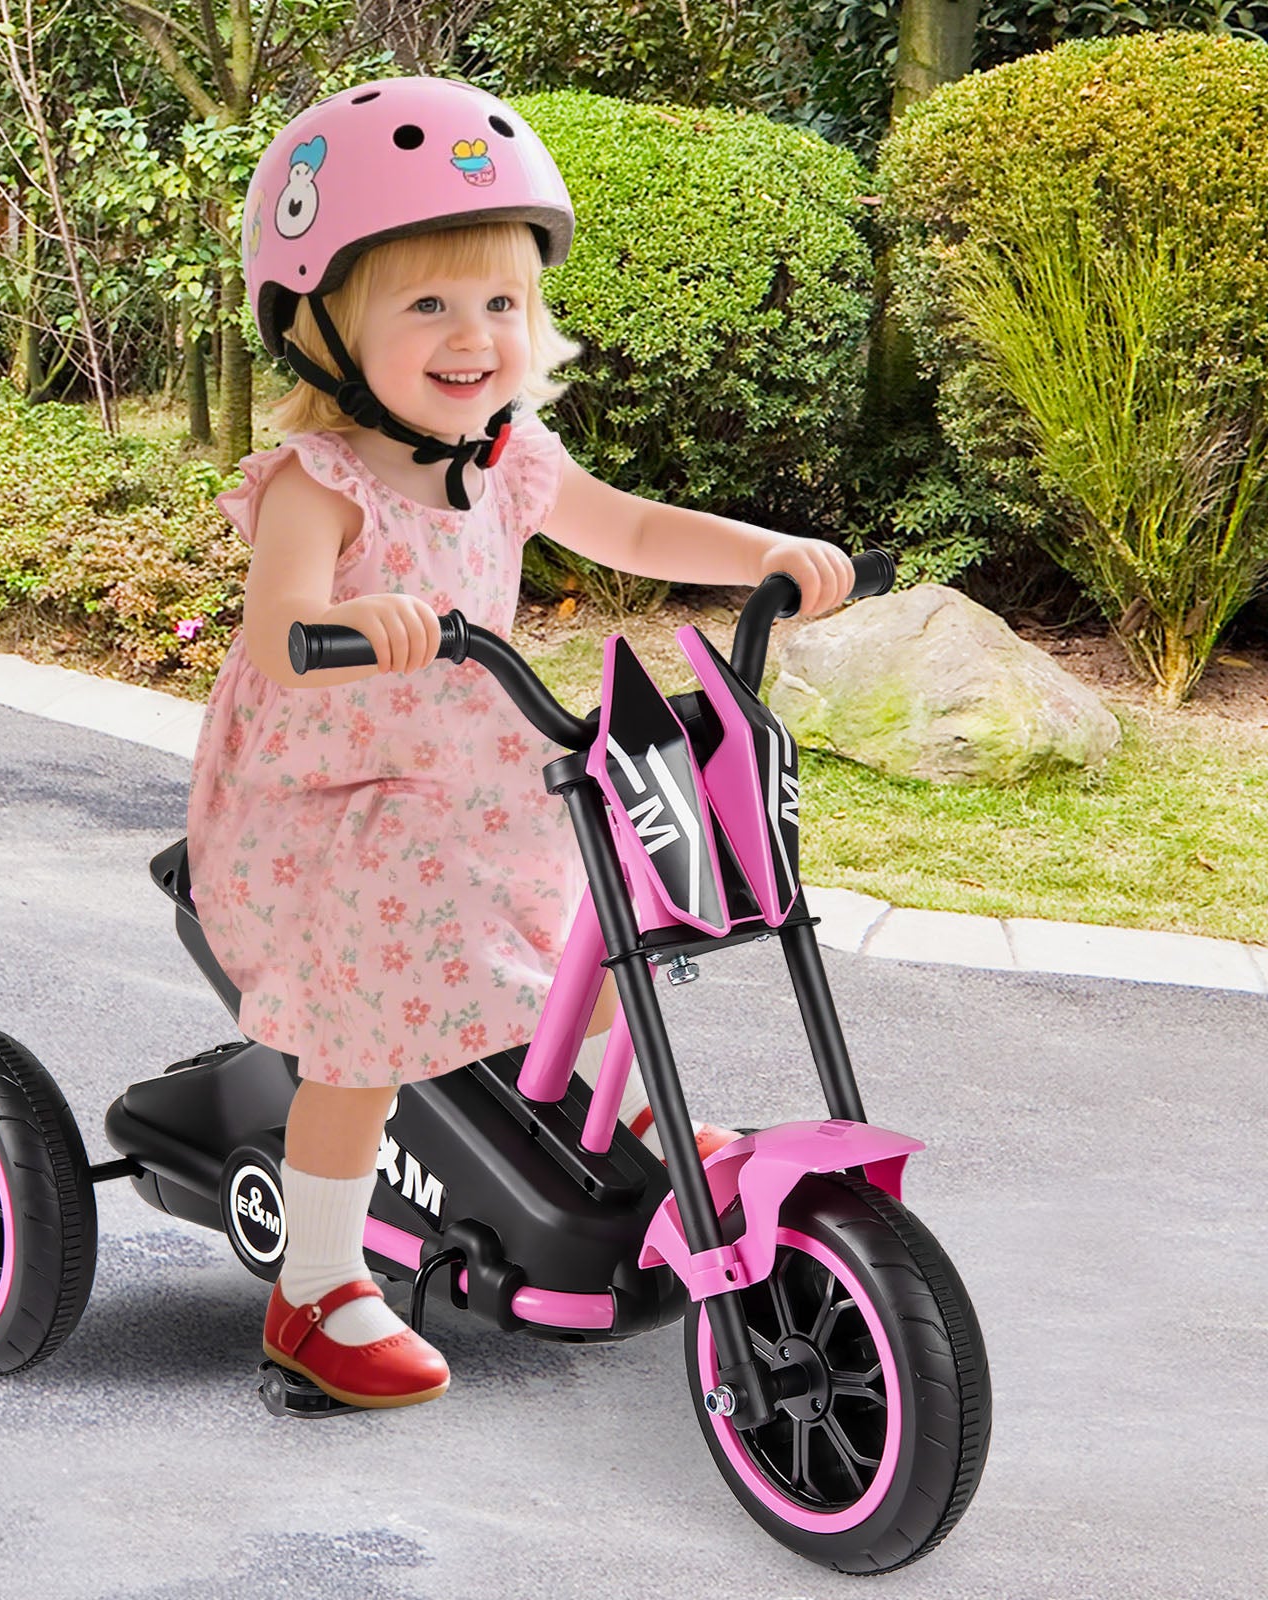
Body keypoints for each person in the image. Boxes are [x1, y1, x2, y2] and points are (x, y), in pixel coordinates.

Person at [187, 76, 855, 1412]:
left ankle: (652, 1129)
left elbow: (639, 533)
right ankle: (316, 1289)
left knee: (591, 941)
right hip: (333, 792)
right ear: (322, 324)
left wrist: (764, 555)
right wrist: (347, 618)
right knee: (361, 1033)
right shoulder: (319, 485)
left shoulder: (508, 458)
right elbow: (275, 628)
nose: (471, 335)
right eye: (425, 303)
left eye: (499, 303)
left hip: (475, 772)